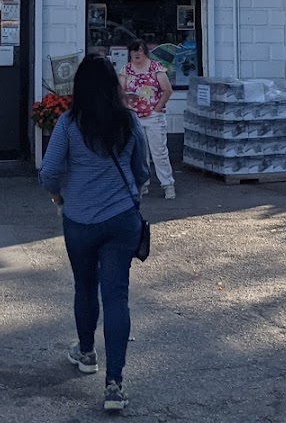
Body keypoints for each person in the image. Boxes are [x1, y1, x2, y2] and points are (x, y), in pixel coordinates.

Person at [39, 53, 150, 414]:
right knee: (117, 297)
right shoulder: (129, 121)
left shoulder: (69, 123)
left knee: (84, 287)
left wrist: (59, 196)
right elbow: (143, 171)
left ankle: (86, 352)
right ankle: (114, 384)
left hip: (80, 220)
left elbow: (48, 172)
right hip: (121, 221)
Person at [120, 40, 175, 199]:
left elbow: (167, 90)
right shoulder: (126, 70)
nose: (137, 54)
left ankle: (167, 184)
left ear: (145, 52)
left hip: (153, 116)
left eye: (140, 51)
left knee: (159, 152)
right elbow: (119, 91)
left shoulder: (156, 68)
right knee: (140, 153)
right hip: (134, 115)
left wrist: (157, 108)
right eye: (133, 51)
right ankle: (143, 184)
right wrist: (126, 105)